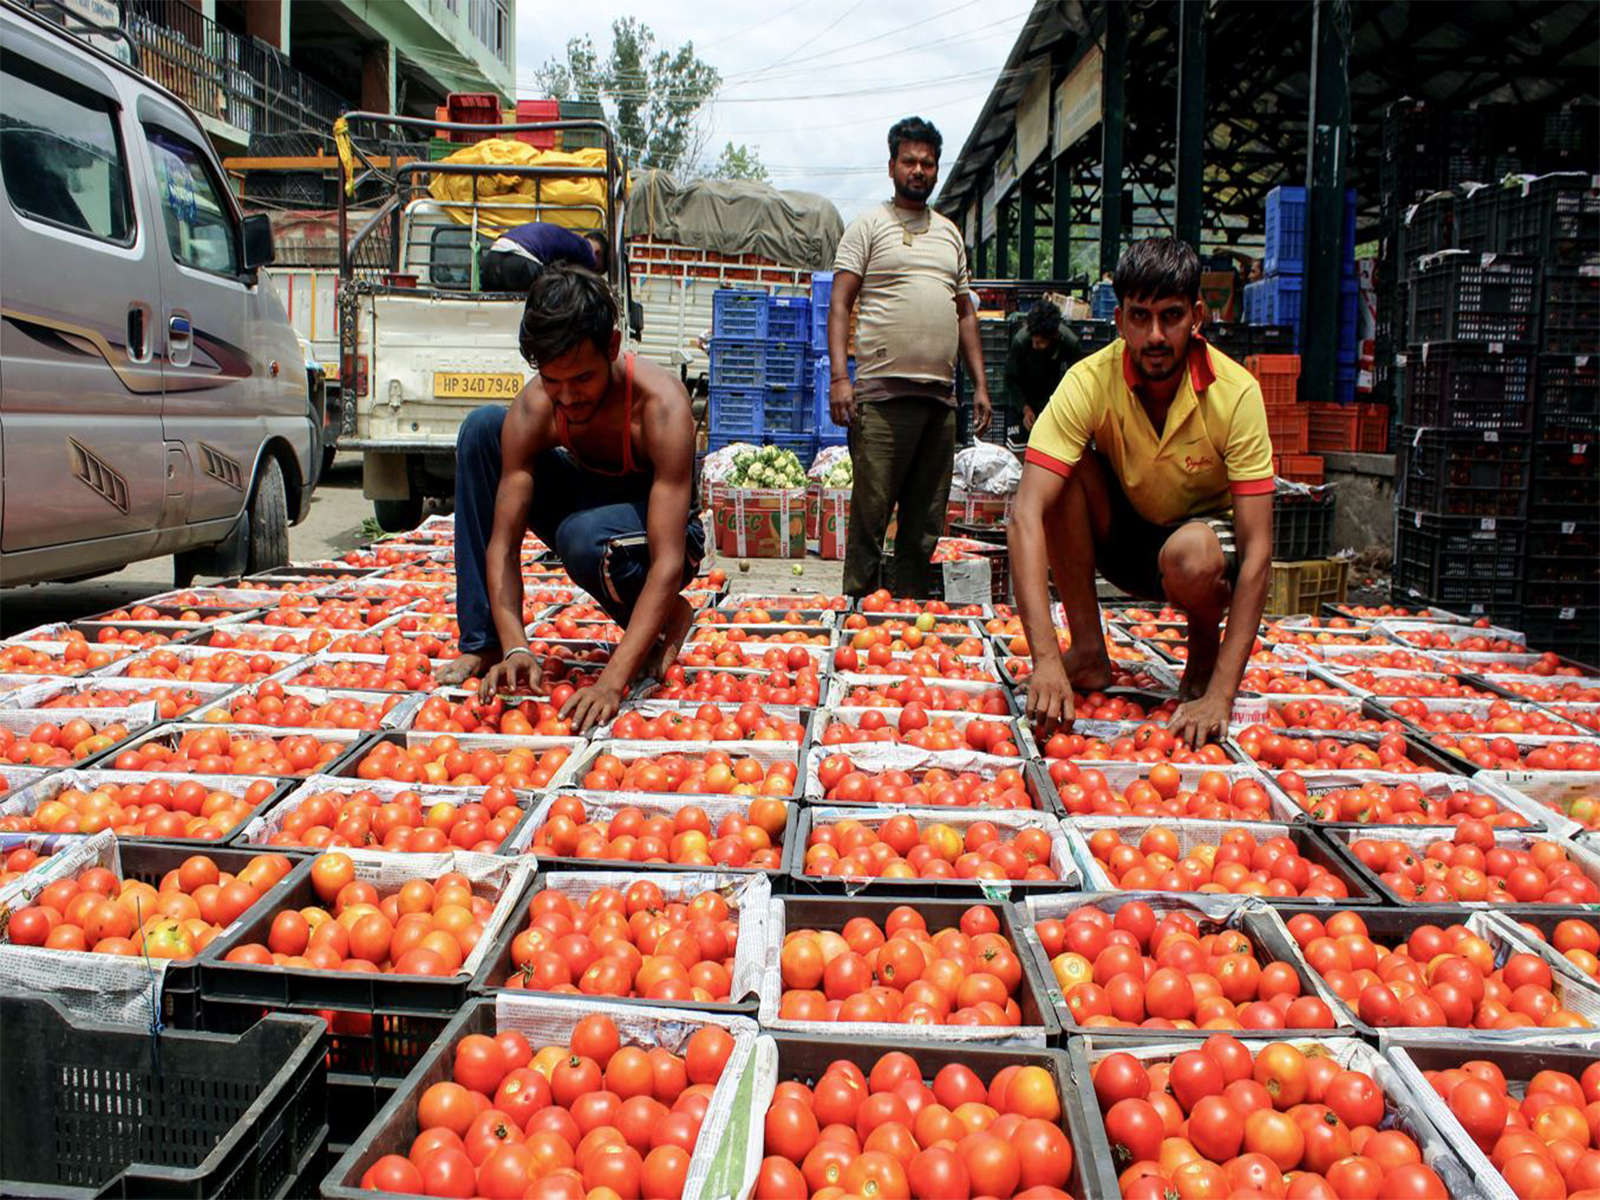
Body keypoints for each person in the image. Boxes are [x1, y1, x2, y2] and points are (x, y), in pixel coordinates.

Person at [1007, 237, 1275, 749]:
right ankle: (1086, 648)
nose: (1155, 335)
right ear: (1120, 321)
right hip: (1123, 537)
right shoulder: (1088, 380)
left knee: (1192, 556)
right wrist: (1045, 659)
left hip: (1199, 553)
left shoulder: (1236, 393)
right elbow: (1025, 513)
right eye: (1140, 316)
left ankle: (1203, 650)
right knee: (1061, 477)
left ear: (1197, 316)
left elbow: (1259, 549)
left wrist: (1222, 694)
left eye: (1171, 316)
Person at [436, 265, 705, 733]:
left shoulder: (660, 408)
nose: (567, 396)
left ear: (613, 348)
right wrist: (517, 644)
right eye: (552, 380)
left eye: (581, 378)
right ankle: (484, 643)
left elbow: (667, 561)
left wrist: (612, 681)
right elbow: (503, 542)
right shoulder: (539, 406)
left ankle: (664, 617)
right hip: (591, 511)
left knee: (582, 538)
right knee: (482, 430)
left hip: (665, 534)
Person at [827, 116, 991, 598]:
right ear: (893, 166)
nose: (918, 170)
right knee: (871, 515)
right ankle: (857, 609)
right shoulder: (868, 227)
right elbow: (840, 303)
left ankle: (908, 615)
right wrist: (841, 379)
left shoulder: (949, 234)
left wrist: (979, 384)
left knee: (925, 523)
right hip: (881, 397)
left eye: (927, 162)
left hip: (939, 401)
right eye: (909, 161)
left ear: (937, 169)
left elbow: (965, 313)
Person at [1004, 300, 1082, 434]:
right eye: (1033, 341)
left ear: (1053, 336)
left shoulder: (1069, 343)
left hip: (1053, 397)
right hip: (1023, 396)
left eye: (1040, 343)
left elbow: (1077, 381)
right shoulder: (1021, 341)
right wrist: (1024, 408)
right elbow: (1010, 379)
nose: (1035, 346)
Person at [480, 222, 608, 293]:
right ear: (597, 253)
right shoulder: (587, 249)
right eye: (597, 269)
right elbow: (584, 280)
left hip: (492, 258)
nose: (593, 269)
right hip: (520, 260)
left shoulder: (562, 238)